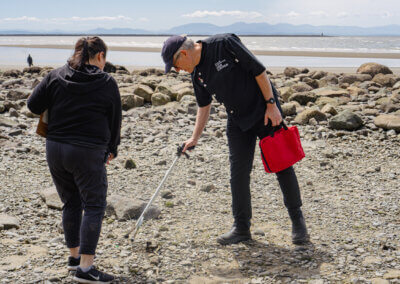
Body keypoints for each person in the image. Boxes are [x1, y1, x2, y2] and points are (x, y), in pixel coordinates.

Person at [161, 34, 309, 246]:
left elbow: (258, 70)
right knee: (238, 174)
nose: (177, 70)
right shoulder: (197, 75)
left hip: (263, 110)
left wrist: (271, 104)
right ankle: (241, 227)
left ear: (183, 53)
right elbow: (204, 106)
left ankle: (298, 222)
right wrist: (194, 138)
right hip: (237, 120)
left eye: (175, 66)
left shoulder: (224, 44)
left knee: (282, 165)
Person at [27, 36, 121, 283]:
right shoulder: (106, 82)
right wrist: (112, 149)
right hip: (87, 152)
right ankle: (86, 269)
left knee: (71, 202)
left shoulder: (55, 75)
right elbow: (115, 121)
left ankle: (74, 258)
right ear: (100, 56)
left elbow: (33, 105)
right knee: (93, 205)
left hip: (55, 149)